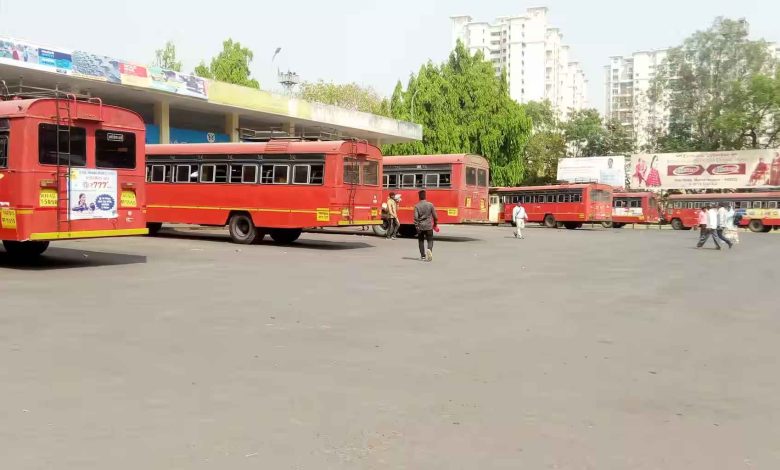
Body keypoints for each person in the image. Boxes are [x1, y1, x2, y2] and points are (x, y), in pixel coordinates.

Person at [414, 190, 438, 262]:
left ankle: (423, 256)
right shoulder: (430, 205)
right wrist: (435, 224)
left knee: (421, 241)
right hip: (429, 226)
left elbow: (415, 217)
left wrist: (417, 226)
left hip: (420, 226)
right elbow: (435, 216)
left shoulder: (417, 206)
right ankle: (429, 249)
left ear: (419, 197)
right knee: (430, 240)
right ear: (425, 196)